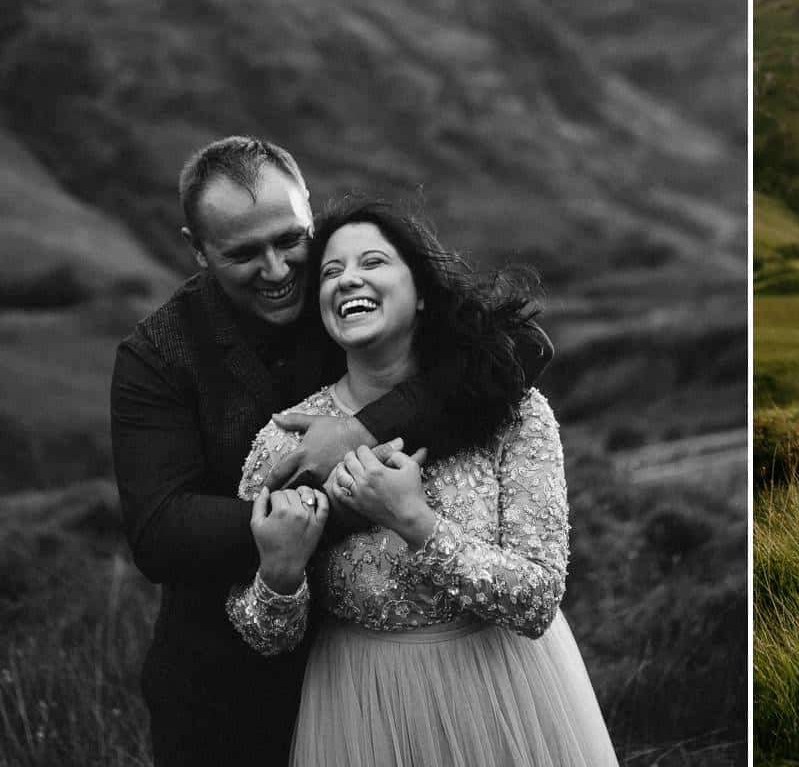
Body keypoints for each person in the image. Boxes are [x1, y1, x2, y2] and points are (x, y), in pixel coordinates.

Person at [110, 136, 553, 766]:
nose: (277, 269)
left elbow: (522, 347)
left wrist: (363, 429)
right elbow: (160, 531)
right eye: (243, 254)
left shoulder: (346, 288)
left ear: (308, 212)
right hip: (226, 691)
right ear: (196, 249)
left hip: (391, 681)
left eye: (290, 239)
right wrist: (325, 506)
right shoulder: (156, 357)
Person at [228, 198, 617, 766]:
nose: (349, 279)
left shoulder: (514, 412)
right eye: (331, 272)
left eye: (373, 262)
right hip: (361, 712)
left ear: (423, 292)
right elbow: (264, 637)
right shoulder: (286, 441)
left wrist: (416, 522)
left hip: (503, 701)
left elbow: (537, 601)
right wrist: (280, 576)